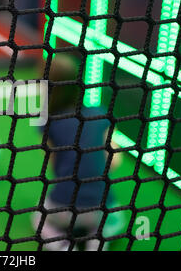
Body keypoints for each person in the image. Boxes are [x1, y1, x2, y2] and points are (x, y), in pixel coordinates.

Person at [33, 53, 124, 251]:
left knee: (39, 220)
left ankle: (63, 247)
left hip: (62, 208)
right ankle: (97, 241)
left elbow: (52, 164)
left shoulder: (48, 122)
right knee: (116, 221)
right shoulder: (100, 115)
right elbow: (115, 162)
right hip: (101, 208)